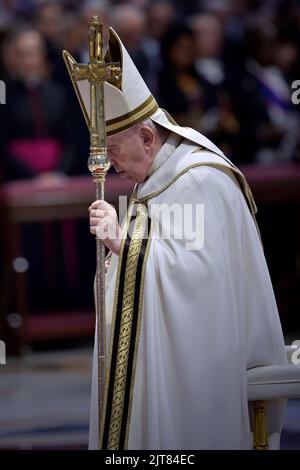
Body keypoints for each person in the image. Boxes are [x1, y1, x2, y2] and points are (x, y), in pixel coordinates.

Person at [65, 27, 287, 450]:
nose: (110, 168)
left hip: (206, 368)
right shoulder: (157, 179)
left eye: (112, 153)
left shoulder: (199, 178)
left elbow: (202, 287)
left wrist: (121, 244)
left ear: (147, 137)